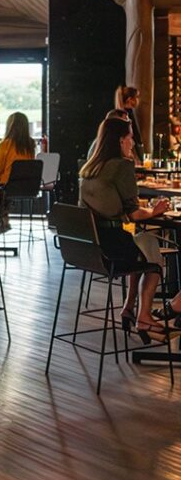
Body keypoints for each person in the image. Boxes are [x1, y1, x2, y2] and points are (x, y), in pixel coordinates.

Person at [79, 117, 167, 341]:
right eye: (129, 137)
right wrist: (155, 211)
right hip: (113, 246)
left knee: (143, 242)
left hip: (91, 247)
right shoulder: (122, 166)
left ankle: (129, 308)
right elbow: (135, 214)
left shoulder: (89, 169)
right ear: (120, 140)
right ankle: (144, 317)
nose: (132, 142)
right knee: (152, 255)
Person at [0, 111, 36, 184]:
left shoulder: (5, 144)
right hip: (28, 185)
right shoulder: (31, 144)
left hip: (7, 186)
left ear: (9, 127)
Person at [115, 85, 143, 162]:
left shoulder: (127, 113)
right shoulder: (126, 115)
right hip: (131, 149)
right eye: (137, 97)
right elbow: (133, 134)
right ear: (130, 99)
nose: (138, 100)